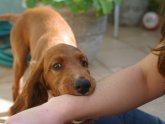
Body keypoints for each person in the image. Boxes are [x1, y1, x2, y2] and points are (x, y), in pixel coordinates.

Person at [5, 3, 165, 124]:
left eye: (83, 62)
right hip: (24, 25)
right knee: (19, 68)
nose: (79, 77)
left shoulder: (71, 53)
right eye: (57, 66)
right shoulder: (39, 66)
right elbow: (145, 77)